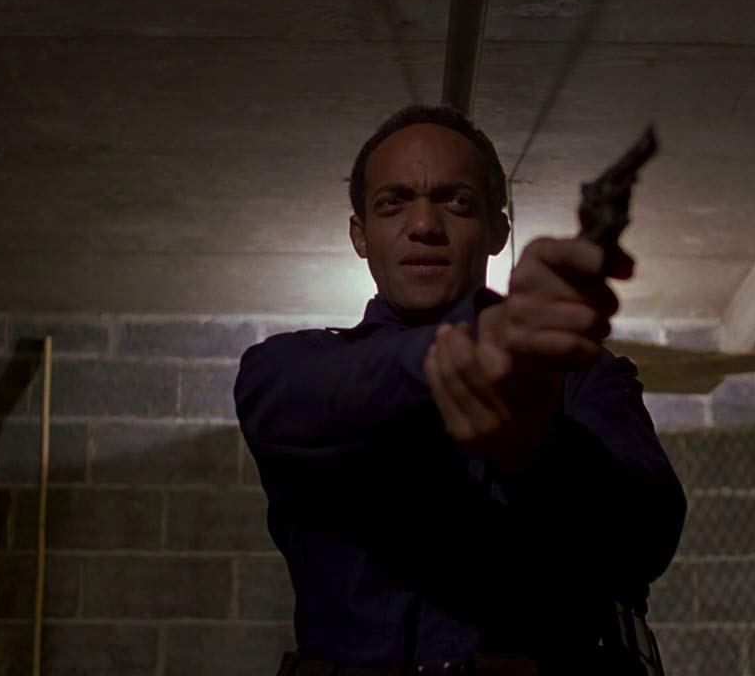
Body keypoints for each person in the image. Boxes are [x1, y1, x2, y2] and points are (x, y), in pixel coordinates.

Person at [234, 105, 686, 676]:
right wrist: (473, 343)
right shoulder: (290, 367)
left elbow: (646, 537)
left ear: (498, 232)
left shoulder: (580, 376)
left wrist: (540, 444)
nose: (424, 225)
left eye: (457, 202)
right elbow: (309, 398)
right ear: (360, 235)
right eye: (393, 203)